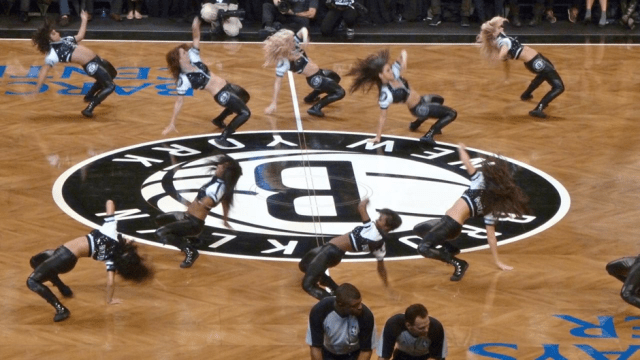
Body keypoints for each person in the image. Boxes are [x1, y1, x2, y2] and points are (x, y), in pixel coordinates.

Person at [413, 143, 529, 281]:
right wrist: (497, 261)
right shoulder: (491, 207)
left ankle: (459, 263)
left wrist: (461, 149)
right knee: (419, 229)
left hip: (450, 225)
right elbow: (491, 237)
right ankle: (450, 249)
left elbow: (466, 162)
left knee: (423, 248)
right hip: (448, 224)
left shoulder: (479, 182)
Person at [26, 200, 153, 322]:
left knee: (32, 281)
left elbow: (109, 202)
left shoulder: (111, 230)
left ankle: (61, 309)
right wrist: (109, 299)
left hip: (64, 256)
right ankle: (63, 288)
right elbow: (110, 282)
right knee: (35, 261)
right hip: (63, 256)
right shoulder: (112, 259)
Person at [164, 16, 251, 146]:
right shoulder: (184, 80)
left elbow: (196, 38)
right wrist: (172, 123)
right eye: (183, 54)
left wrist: (195, 26)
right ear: (179, 60)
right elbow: (179, 102)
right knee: (245, 113)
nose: (187, 53)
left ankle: (218, 120)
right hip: (221, 95)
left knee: (245, 96)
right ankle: (223, 137)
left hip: (227, 85)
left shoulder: (193, 56)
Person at [346, 49, 457, 145]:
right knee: (452, 114)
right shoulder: (386, 94)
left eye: (389, 68)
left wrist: (404, 60)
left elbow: (403, 52)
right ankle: (429, 134)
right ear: (381, 75)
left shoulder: (394, 72)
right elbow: (382, 117)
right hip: (419, 109)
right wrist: (378, 137)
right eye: (388, 70)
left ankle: (416, 124)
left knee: (439, 100)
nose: (391, 71)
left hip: (422, 100)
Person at [298, 198, 402, 300]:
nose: (376, 220)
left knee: (308, 285)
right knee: (305, 265)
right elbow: (381, 268)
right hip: (334, 254)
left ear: (387, 227)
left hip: (329, 252)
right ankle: (333, 287)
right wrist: (387, 286)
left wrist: (367, 200)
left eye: (380, 220)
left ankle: (332, 303)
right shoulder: (380, 245)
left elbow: (361, 206)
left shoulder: (372, 229)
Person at [155, 155, 243, 268]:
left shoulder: (219, 188)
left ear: (227, 172)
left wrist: (205, 202)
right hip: (186, 216)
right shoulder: (217, 180)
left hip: (193, 224)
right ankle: (189, 239)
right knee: (160, 219)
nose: (219, 165)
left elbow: (213, 200)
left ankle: (190, 252)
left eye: (223, 166)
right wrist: (225, 220)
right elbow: (225, 202)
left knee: (160, 233)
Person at [31, 10, 118, 118]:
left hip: (98, 59)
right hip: (91, 66)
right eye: (53, 33)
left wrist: (84, 19)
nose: (56, 32)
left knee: (113, 73)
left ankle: (89, 96)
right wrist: (37, 88)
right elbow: (44, 70)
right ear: (50, 41)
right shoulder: (53, 54)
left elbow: (80, 36)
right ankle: (89, 108)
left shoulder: (65, 39)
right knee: (110, 86)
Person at [477, 16, 565, 119]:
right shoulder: (503, 42)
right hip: (535, 62)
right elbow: (502, 54)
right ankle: (538, 109)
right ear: (494, 32)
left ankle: (526, 95)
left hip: (536, 59)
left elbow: (504, 56)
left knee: (544, 74)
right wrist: (505, 56)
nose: (502, 28)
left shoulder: (500, 38)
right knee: (559, 87)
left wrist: (507, 60)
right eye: (500, 27)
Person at [263, 27, 345, 118]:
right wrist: (274, 103)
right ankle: (316, 108)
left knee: (335, 78)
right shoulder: (283, 62)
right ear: (286, 44)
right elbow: (277, 83)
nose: (295, 41)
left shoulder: (294, 45)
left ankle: (311, 97)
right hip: (315, 79)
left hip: (320, 72)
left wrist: (305, 39)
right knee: (340, 92)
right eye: (292, 41)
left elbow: (303, 30)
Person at [306, 283, 376, 360]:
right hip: (328, 353)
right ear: (341, 304)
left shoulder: (366, 315)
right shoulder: (320, 311)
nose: (360, 307)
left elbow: (365, 351)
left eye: (360, 302)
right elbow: (315, 347)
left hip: (354, 354)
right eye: (354, 306)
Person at [378, 304, 447, 360]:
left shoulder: (436, 328)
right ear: (408, 326)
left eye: (428, 325)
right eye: (421, 328)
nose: (426, 330)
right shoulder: (393, 325)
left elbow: (438, 357)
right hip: (401, 356)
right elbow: (384, 356)